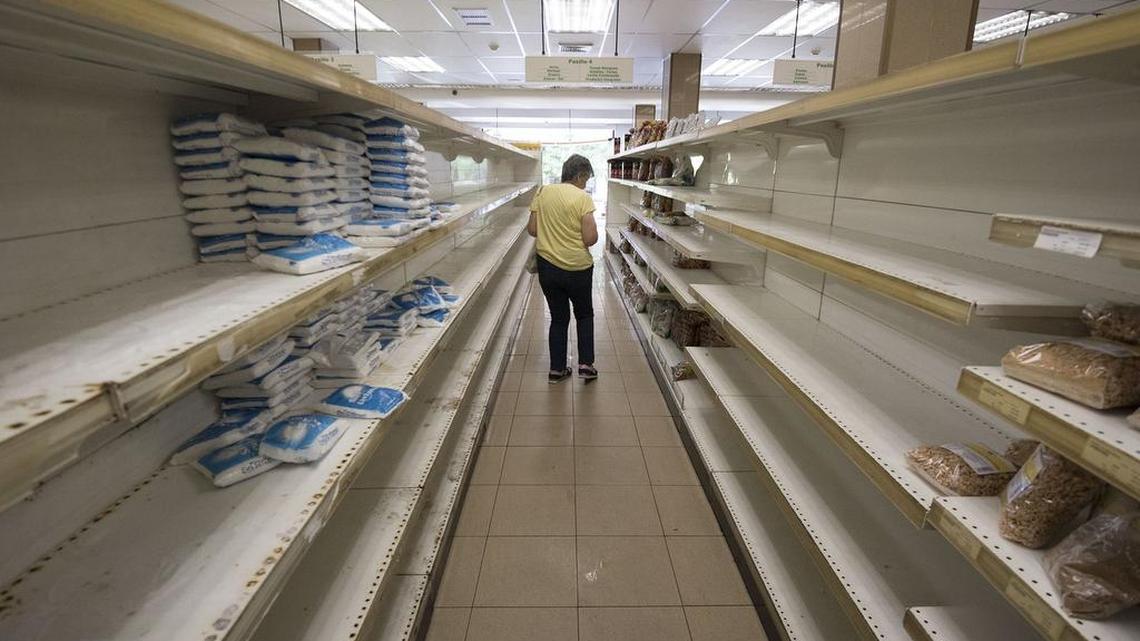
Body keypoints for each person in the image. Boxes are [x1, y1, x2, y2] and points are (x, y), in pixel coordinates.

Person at [527, 154, 599, 384]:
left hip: (548, 268)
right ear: (579, 175)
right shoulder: (582, 198)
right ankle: (586, 365)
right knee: (584, 315)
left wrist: (554, 233)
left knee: (558, 318)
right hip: (578, 268)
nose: (586, 183)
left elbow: (532, 229)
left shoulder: (543, 192)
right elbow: (589, 238)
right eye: (586, 178)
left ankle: (556, 370)